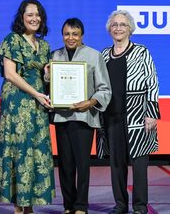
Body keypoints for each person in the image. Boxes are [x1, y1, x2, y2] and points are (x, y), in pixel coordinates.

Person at [0, 0, 55, 214]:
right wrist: (36, 93)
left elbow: (45, 79)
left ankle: (29, 206)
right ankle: (19, 208)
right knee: (19, 150)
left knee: (34, 151)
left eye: (37, 14)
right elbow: (10, 74)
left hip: (38, 104)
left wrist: (47, 76)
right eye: (29, 14)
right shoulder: (13, 40)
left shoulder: (45, 45)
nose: (34, 18)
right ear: (22, 17)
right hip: (17, 103)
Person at [97, 10, 161, 214]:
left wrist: (151, 113)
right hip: (111, 116)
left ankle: (140, 207)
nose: (118, 28)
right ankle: (121, 205)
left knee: (140, 165)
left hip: (137, 117)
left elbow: (152, 82)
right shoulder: (104, 54)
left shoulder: (141, 52)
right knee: (116, 164)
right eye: (114, 25)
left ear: (130, 29)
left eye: (122, 25)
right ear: (109, 29)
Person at [48, 18, 111, 214]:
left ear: (82, 35)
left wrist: (90, 102)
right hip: (61, 116)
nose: (70, 38)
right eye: (67, 34)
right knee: (65, 165)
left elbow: (105, 88)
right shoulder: (55, 56)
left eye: (75, 34)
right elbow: (47, 86)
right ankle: (68, 205)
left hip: (84, 117)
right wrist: (48, 75)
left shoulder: (94, 55)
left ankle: (81, 206)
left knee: (82, 164)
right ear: (62, 35)